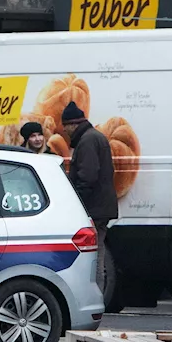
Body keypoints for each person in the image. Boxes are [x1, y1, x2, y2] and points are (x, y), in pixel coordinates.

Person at [61, 101, 117, 298]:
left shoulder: (87, 141)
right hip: (101, 207)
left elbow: (87, 177)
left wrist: (76, 205)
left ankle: (95, 298)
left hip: (94, 209)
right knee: (97, 254)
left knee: (94, 257)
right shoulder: (94, 137)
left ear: (72, 124)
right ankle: (95, 297)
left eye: (65, 127)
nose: (65, 132)